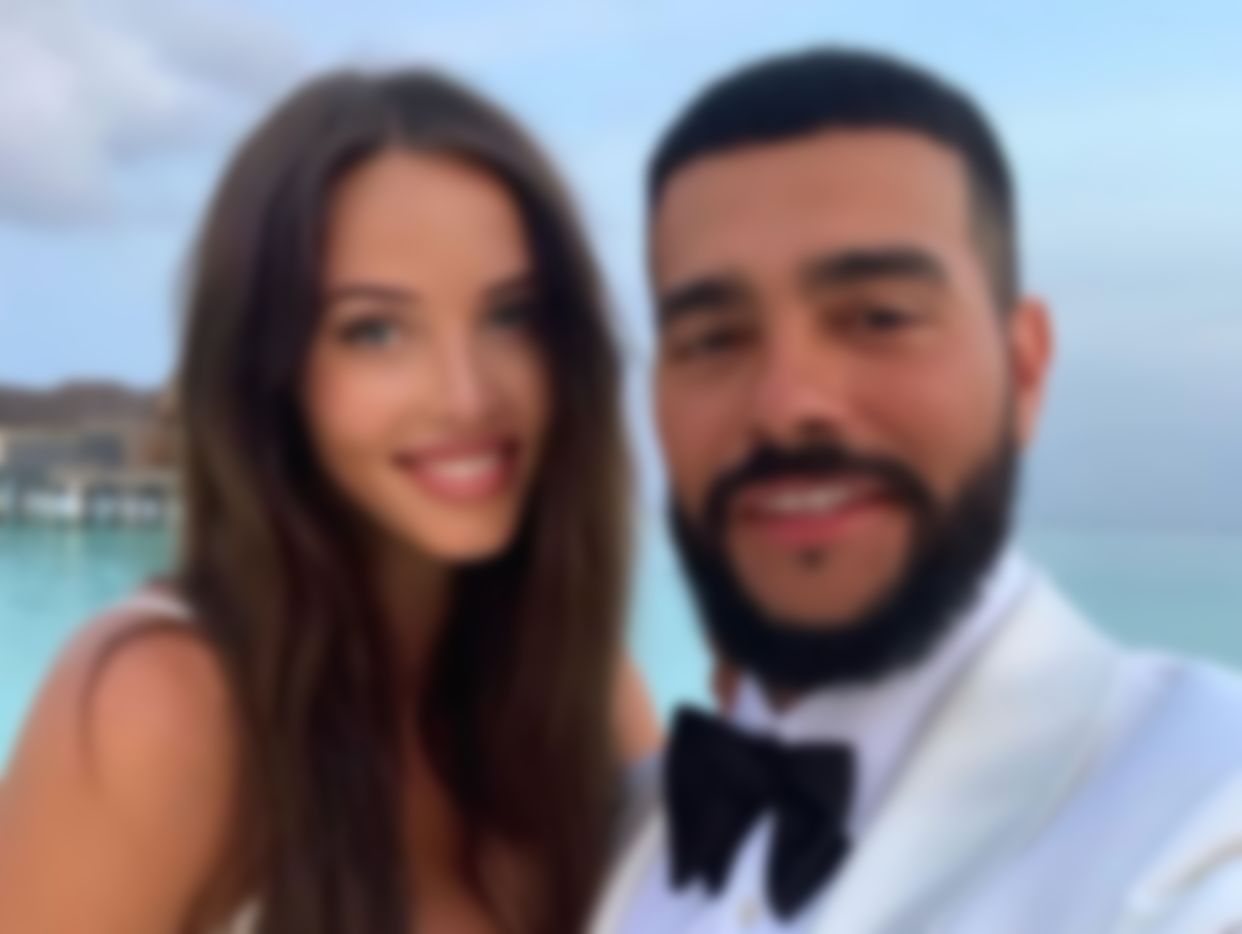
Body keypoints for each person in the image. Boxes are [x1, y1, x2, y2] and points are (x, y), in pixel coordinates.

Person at [593, 48, 1242, 934]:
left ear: (1024, 368)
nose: (786, 404)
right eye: (714, 338)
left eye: (879, 317)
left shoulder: (1205, 808)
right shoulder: (622, 836)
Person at [0, 69, 659, 934]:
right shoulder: (160, 710)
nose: (466, 396)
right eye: (375, 330)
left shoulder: (585, 697)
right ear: (268, 372)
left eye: (512, 317)